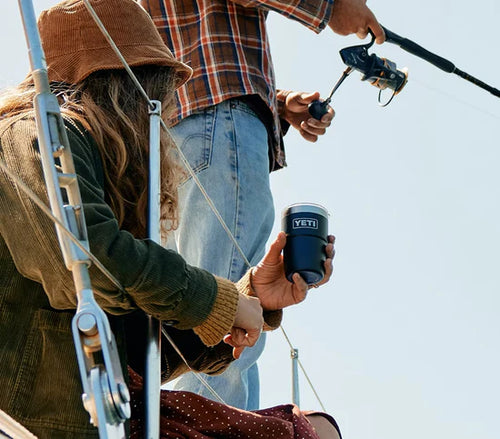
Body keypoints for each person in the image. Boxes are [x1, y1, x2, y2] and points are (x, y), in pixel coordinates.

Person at [0, 1, 338, 438]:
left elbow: (138, 349)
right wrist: (215, 301)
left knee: (313, 430)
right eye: (152, 92)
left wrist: (251, 296)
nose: (159, 115)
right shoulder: (31, 134)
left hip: (94, 420)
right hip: (26, 425)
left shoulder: (90, 162)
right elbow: (84, 260)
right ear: (120, 88)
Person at [138, 0, 384, 410]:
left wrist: (277, 103)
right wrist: (332, 7)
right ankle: (214, 432)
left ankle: (196, 429)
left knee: (195, 310)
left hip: (169, 142)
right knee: (230, 314)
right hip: (217, 125)